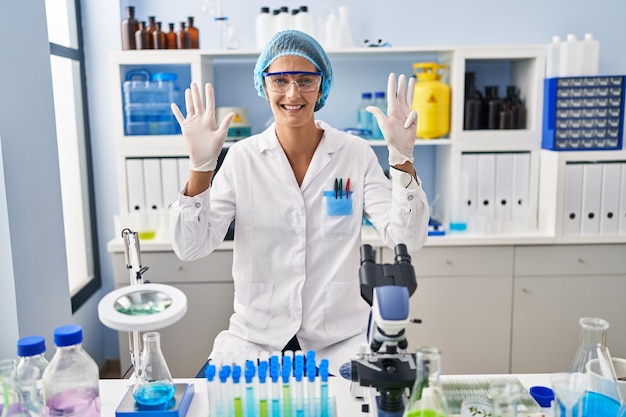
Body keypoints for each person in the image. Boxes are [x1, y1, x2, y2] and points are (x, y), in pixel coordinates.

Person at [169, 30, 429, 375]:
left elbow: (407, 240)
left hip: (340, 339)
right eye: (280, 80)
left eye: (306, 80)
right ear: (264, 85)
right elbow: (191, 247)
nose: (293, 93)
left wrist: (402, 159)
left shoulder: (354, 153)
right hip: (255, 339)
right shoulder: (243, 158)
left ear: (322, 85)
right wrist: (201, 167)